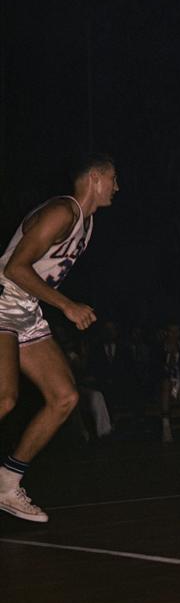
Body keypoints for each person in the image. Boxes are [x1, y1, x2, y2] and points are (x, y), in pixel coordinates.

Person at [0, 153, 118, 522]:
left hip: (27, 310)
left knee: (64, 397)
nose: (117, 186)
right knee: (5, 398)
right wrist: (67, 306)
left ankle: (7, 484)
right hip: (3, 299)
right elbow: (16, 267)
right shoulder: (62, 212)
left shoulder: (88, 222)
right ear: (95, 179)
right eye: (113, 178)